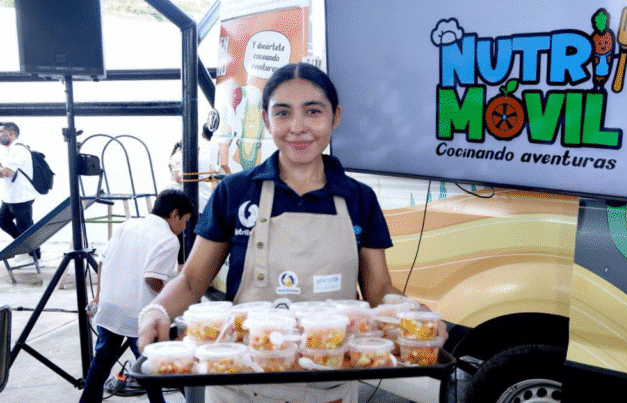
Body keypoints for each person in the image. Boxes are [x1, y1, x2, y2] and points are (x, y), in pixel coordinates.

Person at [138, 63, 447, 403]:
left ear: (335, 117)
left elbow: (378, 288)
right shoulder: (233, 191)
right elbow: (193, 279)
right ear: (267, 120)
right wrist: (158, 311)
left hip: (329, 385)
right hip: (240, 381)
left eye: (313, 112)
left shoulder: (360, 198)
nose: (298, 128)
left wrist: (412, 315)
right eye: (283, 113)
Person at [79, 189, 194, 403]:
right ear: (175, 214)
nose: (183, 228)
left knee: (102, 361)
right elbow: (152, 278)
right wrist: (175, 297)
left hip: (110, 306)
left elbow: (102, 261)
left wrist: (98, 296)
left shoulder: (127, 224)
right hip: (137, 314)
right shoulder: (168, 239)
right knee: (156, 365)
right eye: (185, 221)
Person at [0, 122, 40, 265]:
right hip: (10, 196)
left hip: (21, 197)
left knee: (26, 227)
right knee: (3, 221)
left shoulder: (19, 149)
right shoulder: (9, 150)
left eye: (1, 132)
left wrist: (3, 170)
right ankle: (24, 248)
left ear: (11, 133)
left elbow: (7, 172)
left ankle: (34, 256)